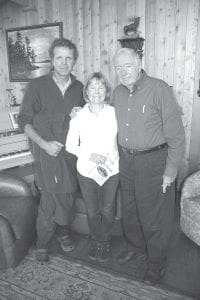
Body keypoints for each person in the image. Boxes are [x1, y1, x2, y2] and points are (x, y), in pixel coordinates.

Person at [112, 47, 185, 284]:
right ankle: (136, 246)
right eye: (118, 68)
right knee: (130, 211)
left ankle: (156, 262)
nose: (123, 72)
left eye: (128, 66)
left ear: (139, 63)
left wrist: (170, 172)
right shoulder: (117, 93)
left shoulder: (159, 89)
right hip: (126, 161)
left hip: (154, 162)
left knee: (154, 216)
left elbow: (176, 136)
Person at [18, 38, 85, 262]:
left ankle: (64, 232)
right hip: (45, 154)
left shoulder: (80, 88)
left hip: (70, 156)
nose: (64, 62)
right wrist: (44, 145)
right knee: (48, 200)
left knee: (67, 197)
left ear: (74, 60)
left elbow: (86, 123)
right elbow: (24, 121)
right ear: (52, 60)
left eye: (68, 58)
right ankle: (43, 243)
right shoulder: (37, 86)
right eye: (59, 57)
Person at [66, 72, 119, 262]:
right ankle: (96, 239)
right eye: (93, 86)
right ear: (86, 91)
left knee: (107, 209)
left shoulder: (115, 113)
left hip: (112, 171)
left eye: (101, 86)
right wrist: (90, 155)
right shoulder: (78, 115)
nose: (97, 90)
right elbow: (70, 145)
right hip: (86, 171)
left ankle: (104, 241)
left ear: (106, 91)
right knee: (92, 210)